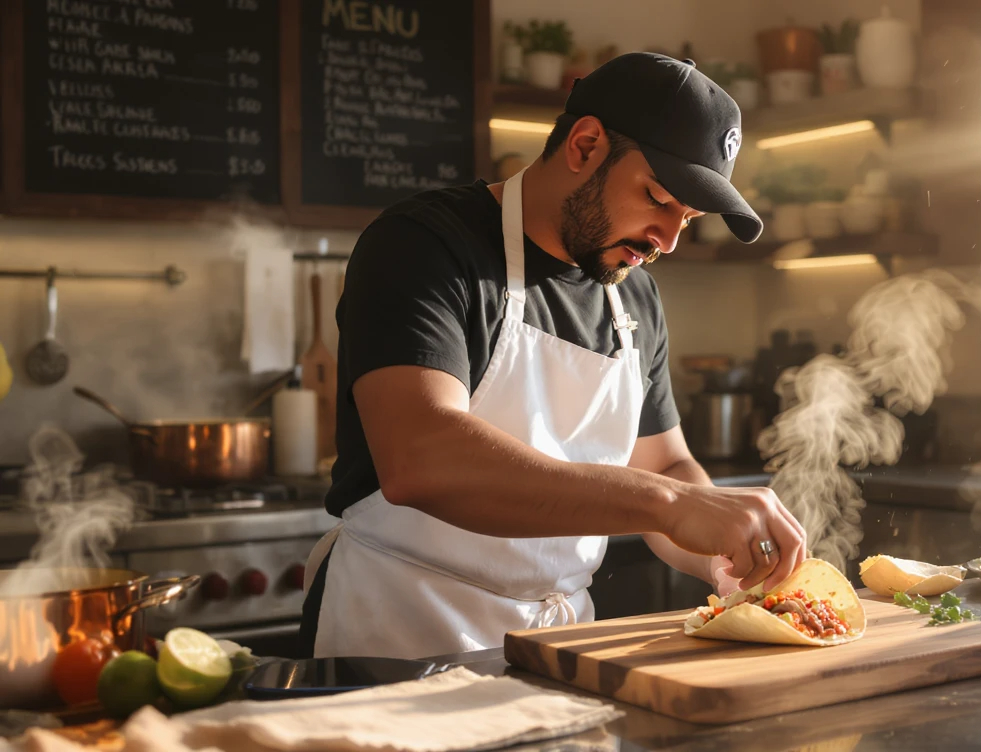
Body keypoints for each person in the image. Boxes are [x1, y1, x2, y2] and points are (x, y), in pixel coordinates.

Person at [300, 53, 806, 659]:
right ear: (585, 145)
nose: (668, 240)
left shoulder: (634, 296)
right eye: (657, 198)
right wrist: (671, 505)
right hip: (399, 632)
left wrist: (726, 557)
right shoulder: (425, 245)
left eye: (689, 219)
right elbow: (423, 458)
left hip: (557, 644)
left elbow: (666, 464)